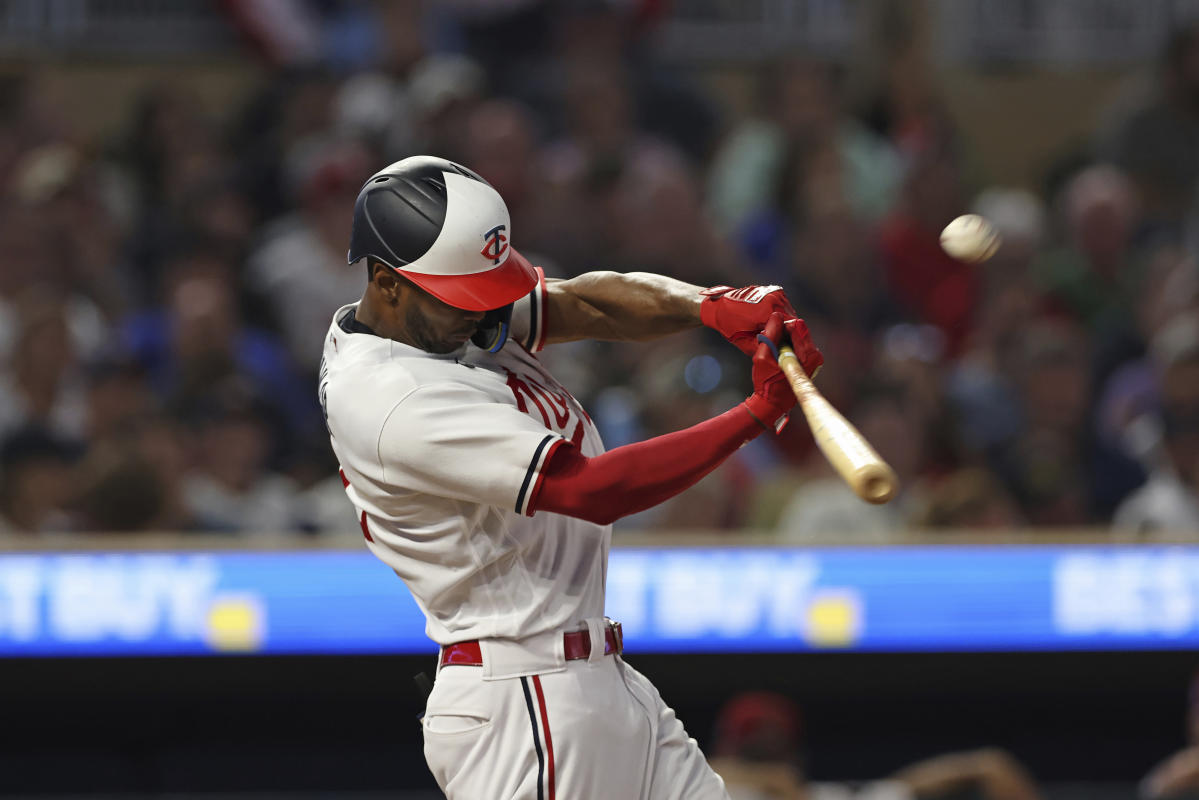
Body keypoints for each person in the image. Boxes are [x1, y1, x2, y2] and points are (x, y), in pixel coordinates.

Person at [318, 155, 824, 799]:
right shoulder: (392, 394)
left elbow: (584, 303)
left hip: (590, 677)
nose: (486, 311)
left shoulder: (433, 313)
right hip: (522, 700)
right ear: (388, 283)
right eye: (465, 298)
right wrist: (757, 414)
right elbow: (591, 490)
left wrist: (713, 306)